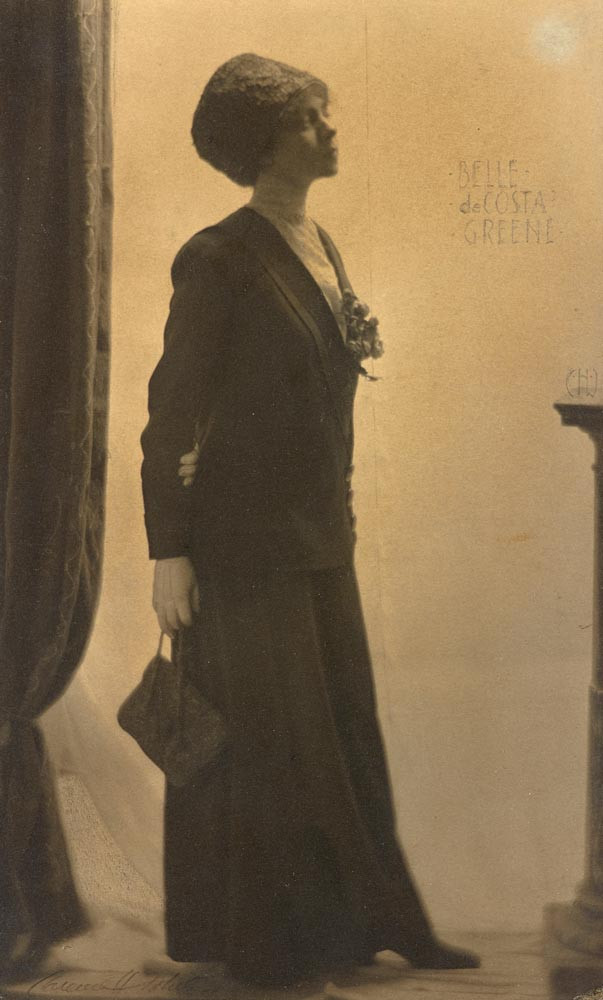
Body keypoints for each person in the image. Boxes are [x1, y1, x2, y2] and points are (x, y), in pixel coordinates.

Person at [141, 52, 479, 988]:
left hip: (320, 532)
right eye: (309, 118)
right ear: (264, 141)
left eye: (324, 114)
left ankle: (375, 926)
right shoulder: (218, 258)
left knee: (345, 734)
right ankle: (272, 953)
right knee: (273, 746)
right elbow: (170, 414)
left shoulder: (320, 243)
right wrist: (169, 552)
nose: (330, 129)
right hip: (241, 547)